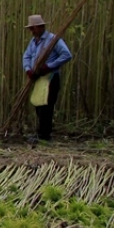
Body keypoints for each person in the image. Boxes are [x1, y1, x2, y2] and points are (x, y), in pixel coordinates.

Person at [23, 14, 72, 142]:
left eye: (33, 28)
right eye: (31, 29)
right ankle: (41, 133)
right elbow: (26, 56)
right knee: (39, 105)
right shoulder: (33, 42)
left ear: (41, 27)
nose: (32, 31)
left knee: (46, 106)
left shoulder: (53, 40)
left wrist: (48, 67)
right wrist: (28, 69)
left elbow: (66, 55)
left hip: (51, 78)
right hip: (39, 79)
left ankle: (45, 135)